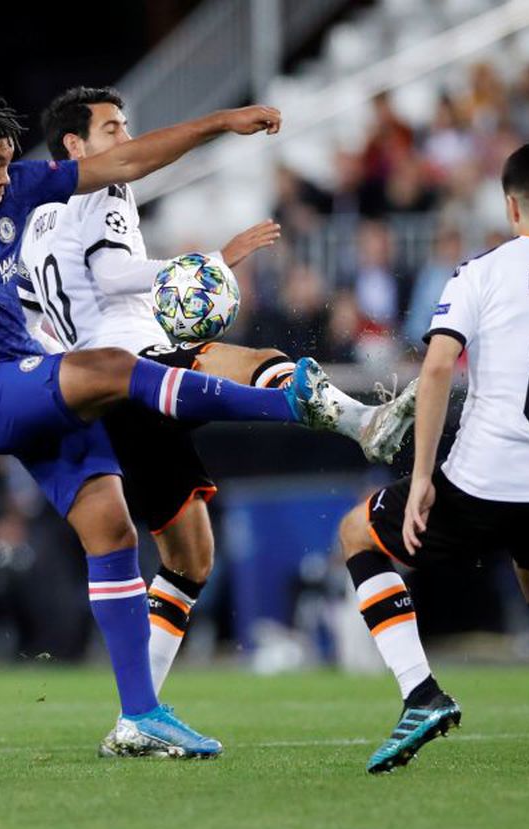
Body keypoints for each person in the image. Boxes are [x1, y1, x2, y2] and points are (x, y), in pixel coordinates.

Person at [0, 90, 414, 759]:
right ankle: (294, 404)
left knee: (112, 526)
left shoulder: (17, 194)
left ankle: (139, 717)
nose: (6, 177)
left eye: (10, 163)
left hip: (30, 379)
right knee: (113, 368)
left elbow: (126, 160)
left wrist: (217, 120)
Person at [21, 88, 393, 733]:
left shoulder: (35, 222)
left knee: (189, 557)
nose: (126, 139)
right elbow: (112, 278)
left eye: (126, 125)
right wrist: (203, 263)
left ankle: (136, 718)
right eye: (112, 129)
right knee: (260, 361)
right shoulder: (103, 192)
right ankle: (364, 422)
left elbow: (39, 321)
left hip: (103, 394)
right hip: (140, 365)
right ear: (74, 146)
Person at [335, 141, 529, 774]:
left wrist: (423, 475)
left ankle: (421, 695)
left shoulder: (484, 270)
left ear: (510, 205)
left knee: (358, 533)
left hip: (482, 479)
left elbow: (434, 369)